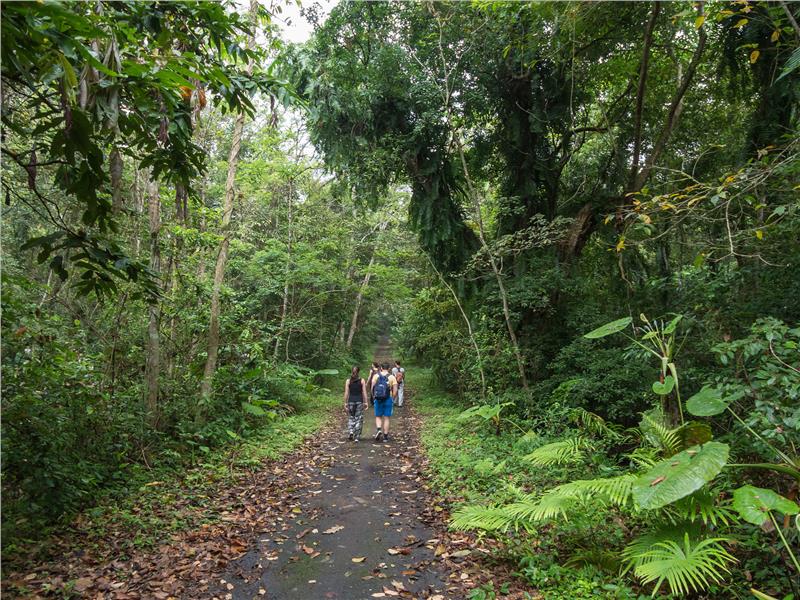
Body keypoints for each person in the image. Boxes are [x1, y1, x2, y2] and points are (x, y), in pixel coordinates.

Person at [370, 362, 397, 442]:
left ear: (381, 368)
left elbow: (372, 388)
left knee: (378, 416)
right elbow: (395, 390)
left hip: (378, 399)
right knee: (387, 418)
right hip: (388, 398)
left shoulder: (376, 376)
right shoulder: (392, 377)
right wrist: (393, 399)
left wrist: (374, 397)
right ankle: (385, 437)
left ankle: (379, 429)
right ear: (389, 369)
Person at [343, 366, 368, 442]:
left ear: (352, 371)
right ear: (358, 372)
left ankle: (351, 431)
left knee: (351, 417)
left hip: (351, 401)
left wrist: (345, 403)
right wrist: (366, 402)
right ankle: (356, 436)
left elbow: (346, 392)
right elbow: (364, 392)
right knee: (358, 418)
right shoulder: (362, 380)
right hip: (359, 401)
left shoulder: (348, 381)